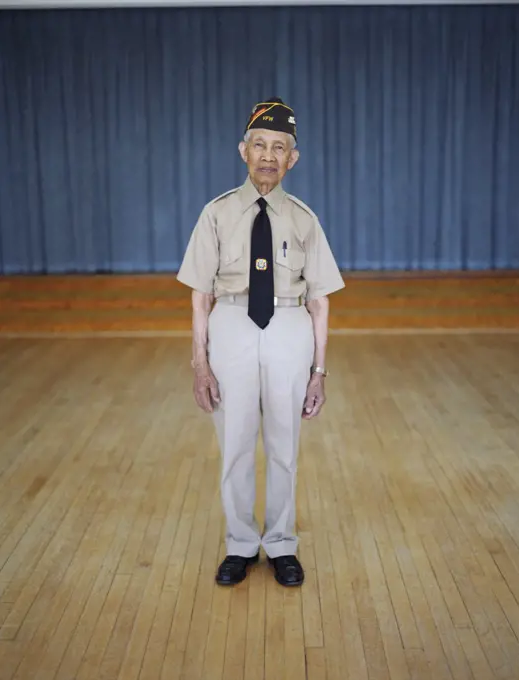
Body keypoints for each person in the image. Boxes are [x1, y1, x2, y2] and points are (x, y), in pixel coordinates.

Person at [176, 97, 345, 587]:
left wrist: (319, 371)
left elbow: (320, 302)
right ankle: (241, 544)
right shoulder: (216, 215)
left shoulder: (305, 219)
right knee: (234, 443)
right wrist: (200, 365)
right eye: (260, 145)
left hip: (290, 327)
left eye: (279, 148)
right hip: (230, 324)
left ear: (292, 159)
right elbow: (199, 296)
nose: (268, 155)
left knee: (284, 446)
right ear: (243, 151)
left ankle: (281, 544)